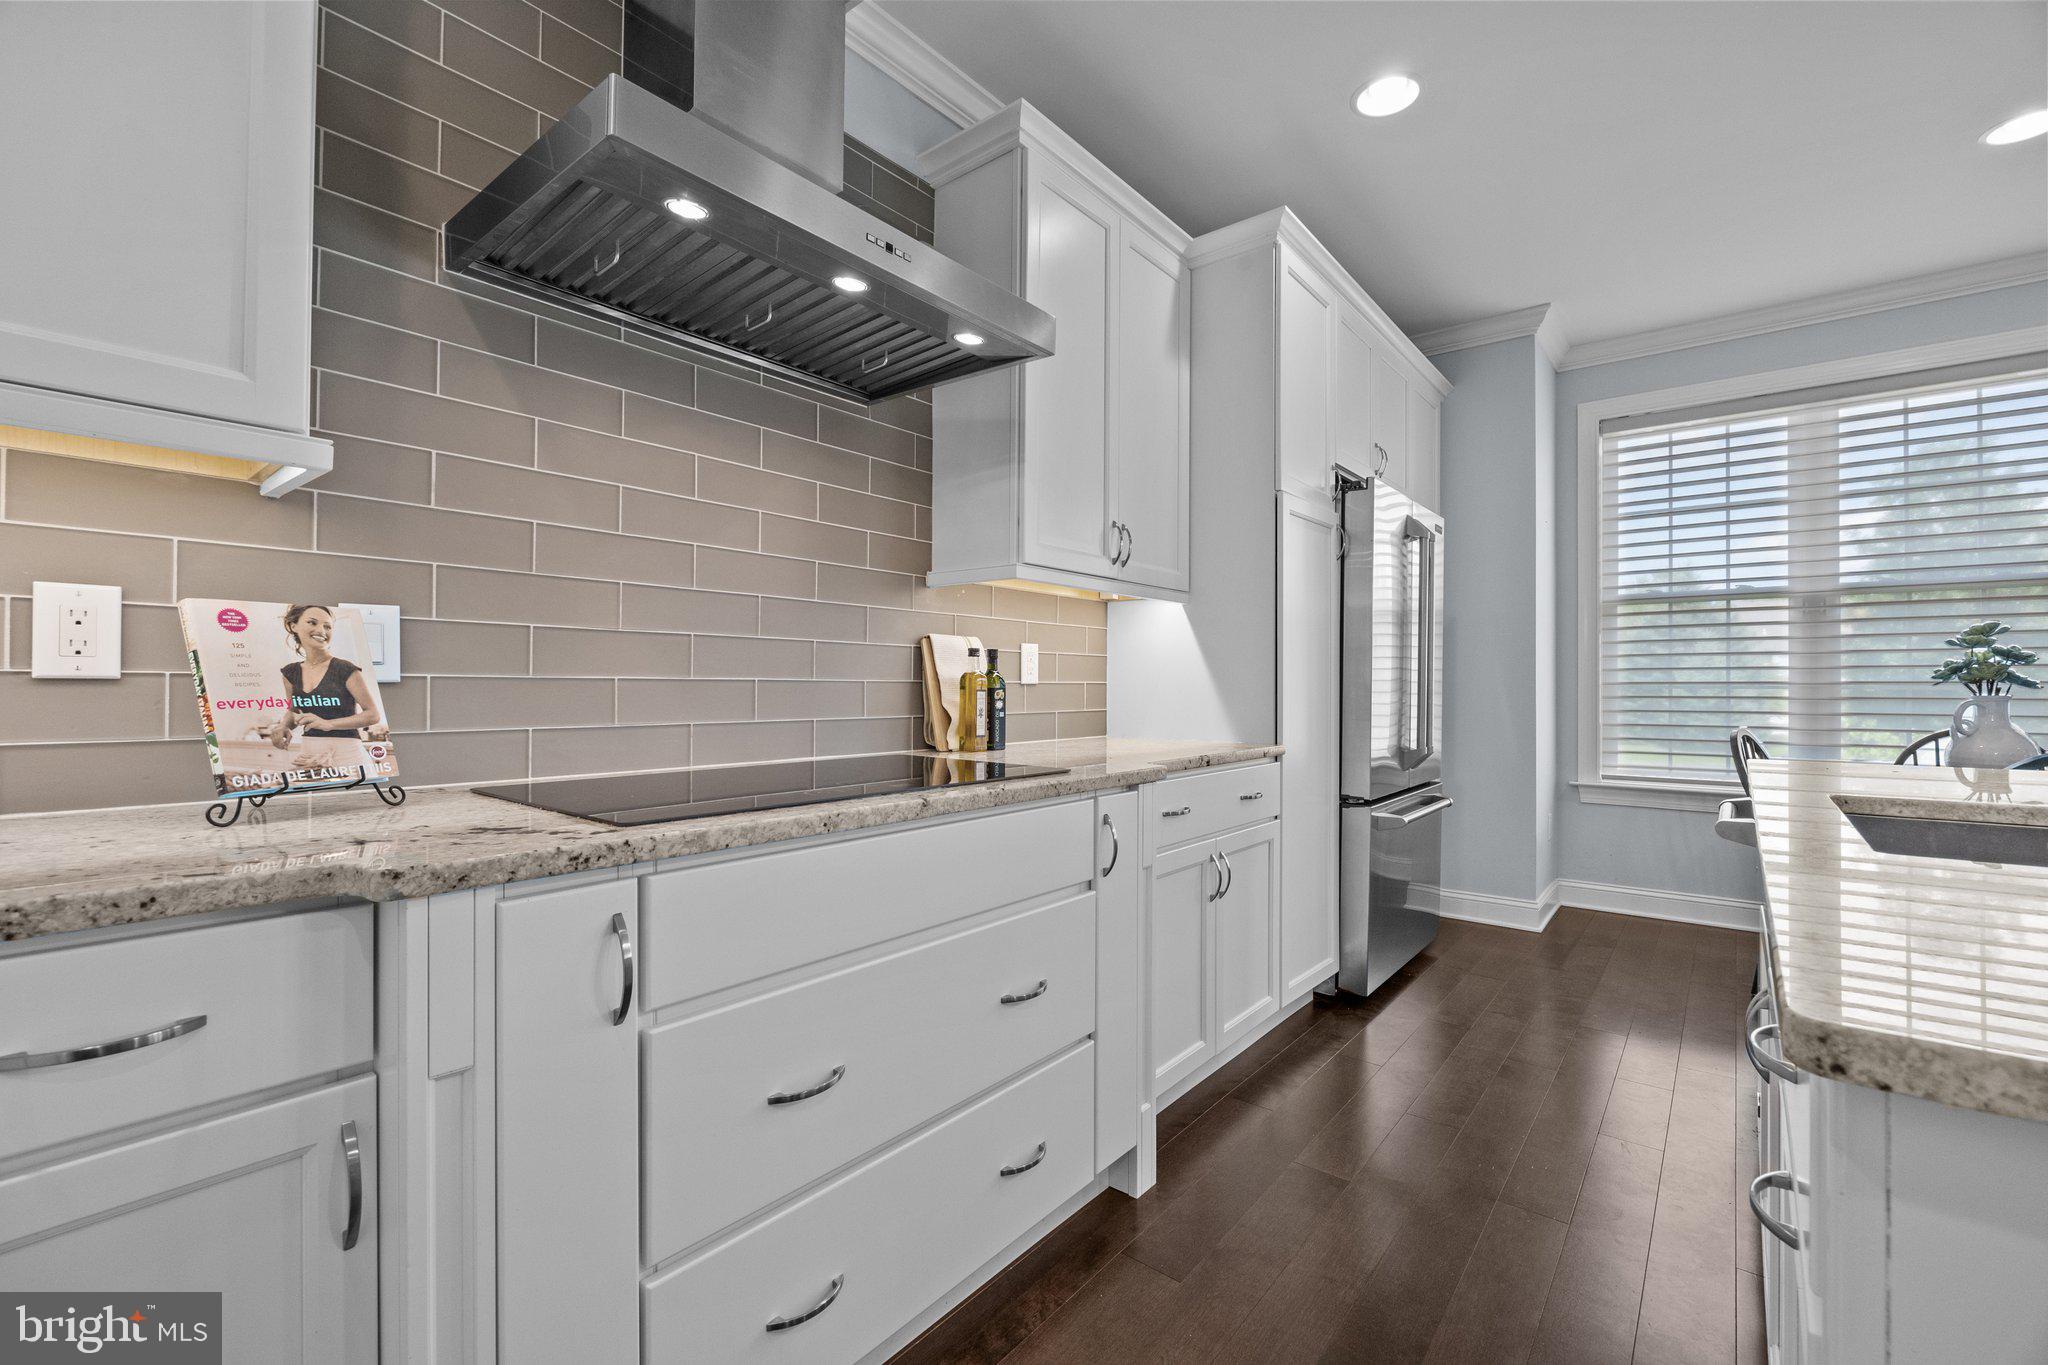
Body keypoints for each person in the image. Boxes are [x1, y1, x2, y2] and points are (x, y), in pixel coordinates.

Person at [265, 604, 381, 772]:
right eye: (312, 623)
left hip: (348, 753)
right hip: (309, 753)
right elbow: (294, 710)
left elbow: (372, 714)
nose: (322, 630)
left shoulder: (345, 668)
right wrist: (284, 726)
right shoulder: (290, 672)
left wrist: (328, 724)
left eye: (327, 626)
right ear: (293, 626)